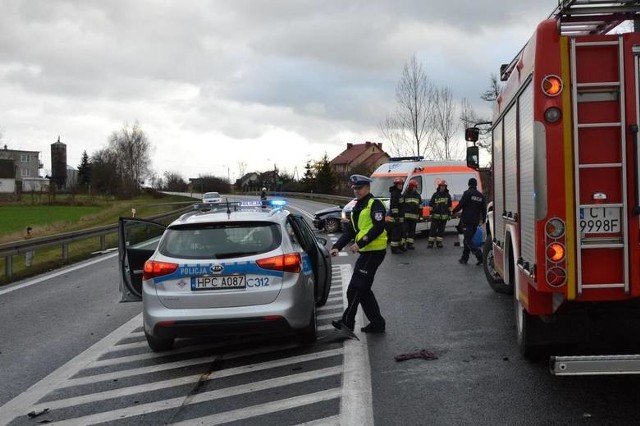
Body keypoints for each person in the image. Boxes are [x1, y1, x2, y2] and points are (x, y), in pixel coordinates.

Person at [331, 174, 388, 334]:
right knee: (363, 290)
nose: (357, 191)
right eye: (355, 188)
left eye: (360, 188)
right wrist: (337, 246)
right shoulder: (357, 206)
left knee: (355, 288)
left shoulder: (375, 204)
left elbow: (378, 227)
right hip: (367, 253)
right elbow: (350, 231)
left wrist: (360, 243)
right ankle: (377, 323)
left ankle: (347, 323)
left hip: (374, 252)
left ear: (368, 188)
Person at [451, 177, 486, 265]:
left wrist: (453, 211)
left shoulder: (467, 193)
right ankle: (464, 258)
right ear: (476, 185)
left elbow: (461, 204)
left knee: (467, 240)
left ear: (469, 184)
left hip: (467, 220)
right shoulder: (480, 195)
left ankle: (480, 256)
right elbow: (484, 208)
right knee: (468, 239)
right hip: (475, 221)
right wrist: (484, 219)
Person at [427, 179, 452, 248]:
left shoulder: (448, 195)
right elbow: (431, 205)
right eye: (441, 186)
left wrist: (449, 215)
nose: (442, 187)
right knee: (433, 230)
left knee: (441, 230)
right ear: (439, 186)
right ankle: (430, 243)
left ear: (445, 187)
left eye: (444, 186)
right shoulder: (435, 195)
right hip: (435, 216)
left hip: (444, 217)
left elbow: (450, 206)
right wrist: (431, 213)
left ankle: (439, 243)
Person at [402, 179, 422, 250]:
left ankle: (410, 245)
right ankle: (403, 245)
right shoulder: (405, 195)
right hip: (406, 217)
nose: (415, 188)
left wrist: (420, 215)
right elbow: (402, 205)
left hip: (414, 217)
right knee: (404, 231)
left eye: (415, 187)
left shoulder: (417, 195)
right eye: (414, 187)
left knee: (412, 232)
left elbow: (420, 206)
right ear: (411, 186)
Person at [388, 177, 405, 254]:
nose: (400, 186)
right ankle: (394, 249)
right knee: (395, 233)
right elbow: (394, 206)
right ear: (396, 185)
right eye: (399, 184)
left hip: (400, 217)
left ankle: (400, 246)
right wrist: (396, 216)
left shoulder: (398, 193)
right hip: (396, 218)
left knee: (400, 232)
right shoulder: (395, 193)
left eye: (401, 184)